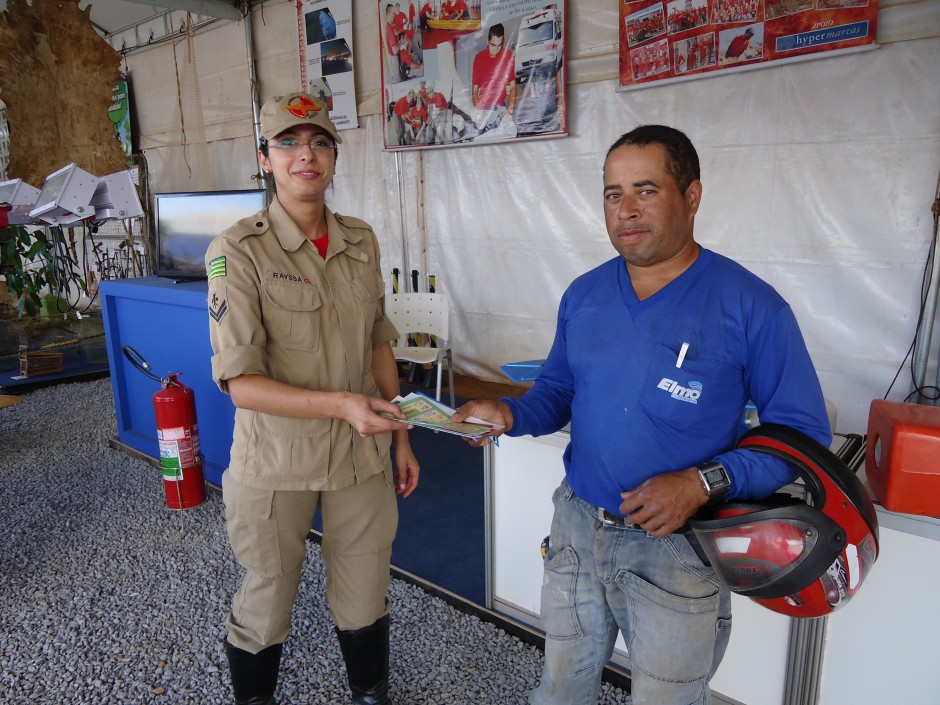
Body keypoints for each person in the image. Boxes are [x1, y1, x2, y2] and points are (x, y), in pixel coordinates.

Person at [451, 124, 831, 705]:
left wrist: (701, 482)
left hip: (675, 546)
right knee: (560, 687)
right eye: (613, 193)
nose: (625, 209)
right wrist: (507, 412)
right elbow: (557, 390)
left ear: (692, 196)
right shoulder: (584, 294)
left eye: (645, 190)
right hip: (577, 526)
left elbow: (802, 436)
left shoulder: (751, 306)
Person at [205, 93, 420, 705]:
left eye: (320, 142)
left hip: (361, 454)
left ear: (334, 158)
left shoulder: (360, 239)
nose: (307, 154)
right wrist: (342, 405)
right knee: (268, 593)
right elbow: (241, 383)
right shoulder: (237, 250)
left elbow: (378, 343)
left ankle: (370, 694)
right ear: (265, 158)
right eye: (289, 142)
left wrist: (401, 435)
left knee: (365, 585)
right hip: (276, 461)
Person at [471, 23, 516, 117]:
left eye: (499, 45)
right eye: (493, 45)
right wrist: (478, 106)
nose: (496, 50)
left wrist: (510, 107)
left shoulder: (507, 55)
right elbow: (474, 91)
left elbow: (513, 87)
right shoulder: (478, 58)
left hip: (501, 107)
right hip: (484, 108)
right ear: (488, 41)